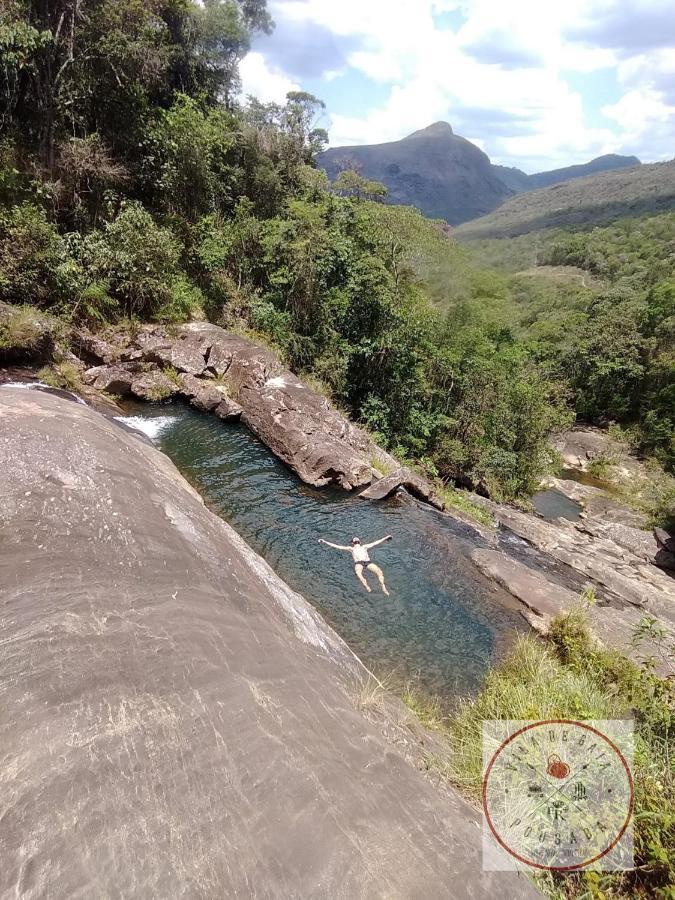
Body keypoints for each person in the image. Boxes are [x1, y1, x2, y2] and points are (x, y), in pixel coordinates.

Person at [318, 534, 392, 595]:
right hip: (367, 562)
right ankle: (383, 587)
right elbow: (376, 542)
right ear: (359, 542)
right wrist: (386, 537)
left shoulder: (351, 548)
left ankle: (367, 587)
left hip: (358, 563)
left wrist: (325, 541)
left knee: (359, 574)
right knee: (379, 572)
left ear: (353, 543)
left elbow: (337, 546)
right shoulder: (364, 547)